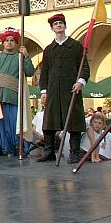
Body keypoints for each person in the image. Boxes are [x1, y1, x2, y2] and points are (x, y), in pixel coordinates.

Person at [38, 13, 90, 163]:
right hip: (53, 90)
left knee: (73, 120)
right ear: (52, 28)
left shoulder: (76, 46)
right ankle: (49, 151)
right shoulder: (49, 49)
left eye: (61, 23)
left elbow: (84, 67)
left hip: (71, 89)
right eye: (55, 24)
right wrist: (44, 91)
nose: (58, 25)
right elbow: (45, 71)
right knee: (50, 121)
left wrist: (80, 81)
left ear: (65, 26)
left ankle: (74, 152)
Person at [0, 27, 34, 157]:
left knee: (15, 122)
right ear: (3, 42)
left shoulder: (20, 57)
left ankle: (17, 145)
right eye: (7, 40)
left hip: (13, 96)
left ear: (16, 43)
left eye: (12, 40)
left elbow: (30, 72)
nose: (9, 42)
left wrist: (26, 56)